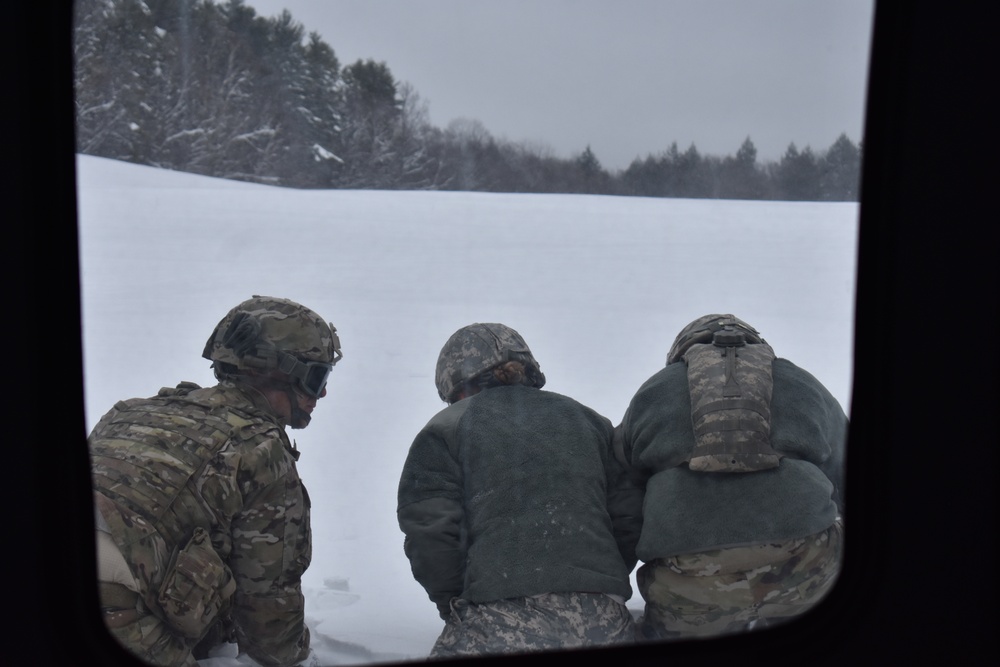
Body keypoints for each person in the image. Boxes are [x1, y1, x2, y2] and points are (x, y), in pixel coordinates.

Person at [89, 295, 343, 667]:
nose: (321, 393)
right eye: (317, 377)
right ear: (279, 372)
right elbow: (269, 611)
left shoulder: (128, 413)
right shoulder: (260, 449)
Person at [397, 323, 642, 658]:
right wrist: (592, 580)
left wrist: (457, 606)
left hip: (499, 620)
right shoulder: (590, 421)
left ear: (458, 386)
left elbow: (431, 534)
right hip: (606, 620)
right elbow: (629, 516)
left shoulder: (446, 428)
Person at [614, 314, 846, 640]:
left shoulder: (653, 391)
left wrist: (614, 578)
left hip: (691, 578)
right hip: (806, 563)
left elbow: (623, 499)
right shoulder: (800, 380)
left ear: (680, 352)